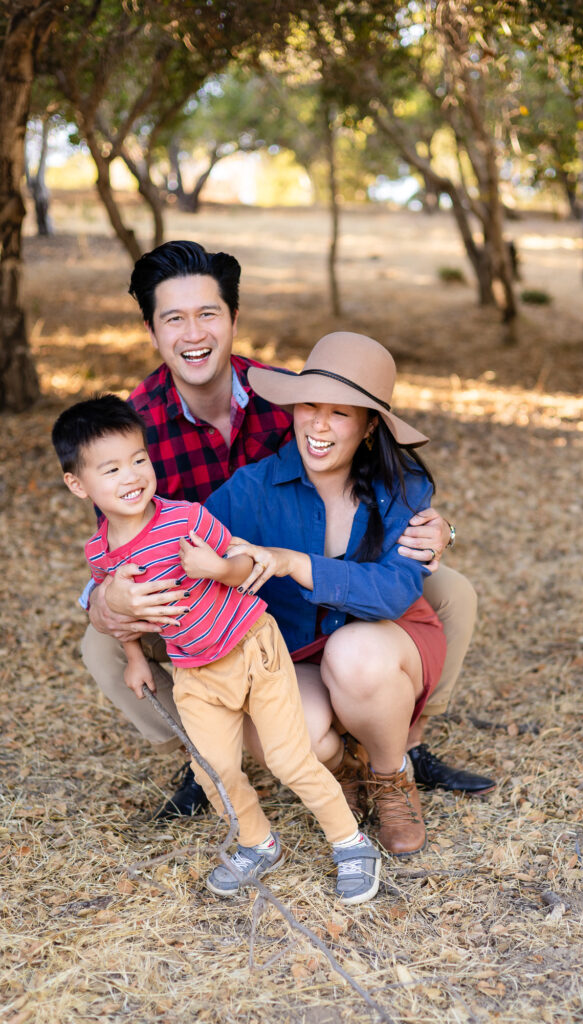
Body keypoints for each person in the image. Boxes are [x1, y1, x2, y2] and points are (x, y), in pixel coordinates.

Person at [81, 240, 492, 820]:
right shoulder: (133, 429)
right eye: (174, 318)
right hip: (208, 581)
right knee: (101, 640)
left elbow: (382, 477)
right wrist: (103, 598)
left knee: (450, 590)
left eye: (208, 314)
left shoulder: (294, 397)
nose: (193, 333)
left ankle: (404, 741)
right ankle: (207, 752)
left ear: (233, 319)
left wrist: (441, 529)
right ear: (152, 330)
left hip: (303, 571)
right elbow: (117, 535)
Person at [53, 395, 381, 904]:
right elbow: (122, 618)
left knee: (289, 759)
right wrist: (137, 658)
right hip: (195, 671)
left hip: (252, 648)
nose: (132, 476)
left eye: (139, 459)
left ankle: (350, 842)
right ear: (79, 485)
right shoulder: (100, 552)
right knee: (213, 769)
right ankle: (257, 842)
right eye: (112, 468)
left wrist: (215, 568)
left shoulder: (184, 518)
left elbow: (243, 565)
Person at [203, 332, 456, 855]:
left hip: (383, 643)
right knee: (282, 731)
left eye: (340, 413)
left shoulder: (401, 486)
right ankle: (345, 768)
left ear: (368, 428)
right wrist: (116, 586)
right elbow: (185, 545)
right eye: (309, 406)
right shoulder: (251, 489)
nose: (318, 425)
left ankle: (390, 776)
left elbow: (392, 592)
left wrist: (297, 564)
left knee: (355, 652)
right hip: (293, 650)